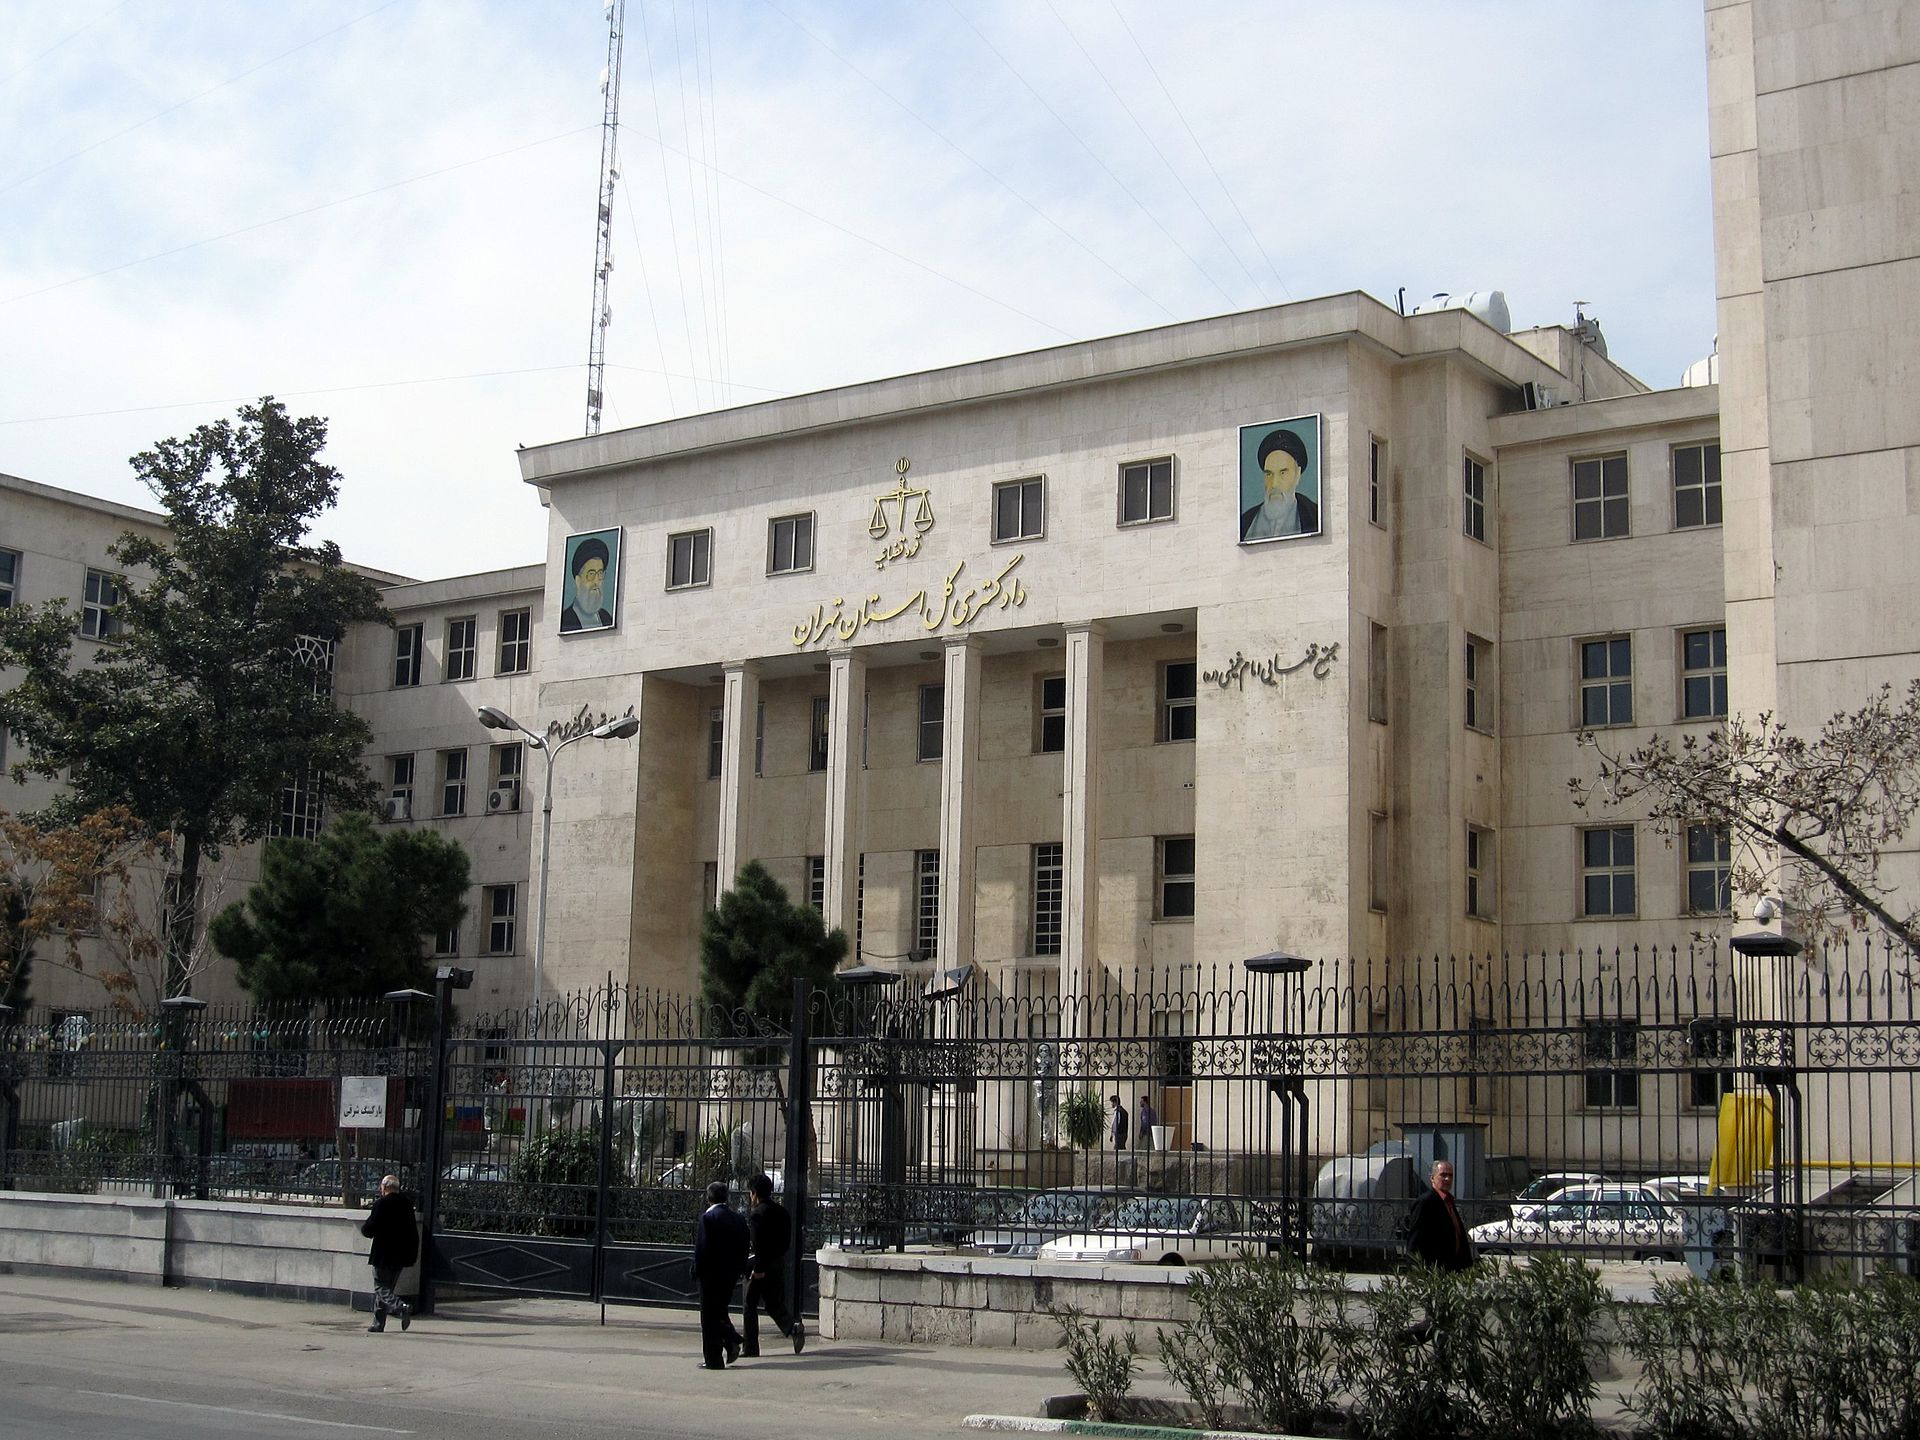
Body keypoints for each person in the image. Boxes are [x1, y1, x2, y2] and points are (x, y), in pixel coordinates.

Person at [742, 1173, 805, 1357]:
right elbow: (786, 1240)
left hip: (761, 1266)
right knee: (773, 1303)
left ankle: (751, 1347)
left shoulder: (757, 1215)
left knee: (749, 1304)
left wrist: (758, 1269)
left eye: (750, 1193)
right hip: (778, 1262)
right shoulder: (782, 1212)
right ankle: (792, 1327)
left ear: (754, 1193)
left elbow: (758, 1244)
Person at [691, 1180, 749, 1369]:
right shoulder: (738, 1219)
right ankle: (732, 1340)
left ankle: (713, 1359)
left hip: (710, 1276)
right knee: (719, 1311)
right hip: (730, 1276)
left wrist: (696, 1270)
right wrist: (740, 1269)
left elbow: (702, 1249)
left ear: (708, 1198)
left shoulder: (708, 1219)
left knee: (709, 1317)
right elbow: (744, 1247)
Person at [359, 1173, 418, 1333]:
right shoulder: (407, 1205)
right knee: (387, 1289)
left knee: (380, 1287)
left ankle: (401, 1306)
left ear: (384, 1187)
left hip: (383, 1254)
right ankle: (378, 1324)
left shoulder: (381, 1204)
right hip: (401, 1255)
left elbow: (369, 1228)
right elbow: (413, 1232)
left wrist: (365, 1230)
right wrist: (412, 1255)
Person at [1240, 427, 1319, 541]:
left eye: (1283, 473)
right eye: (1269, 474)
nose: (1274, 484)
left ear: (1298, 475)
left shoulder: (1314, 516)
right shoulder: (1246, 521)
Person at [1406, 1159, 1475, 1271]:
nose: (1447, 1179)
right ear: (1432, 1178)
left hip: (1453, 1270)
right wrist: (1417, 1272)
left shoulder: (1449, 1201)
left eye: (1450, 1175)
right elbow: (1415, 1240)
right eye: (1443, 1175)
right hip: (1434, 1271)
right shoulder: (1426, 1202)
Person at [559, 536, 613, 632]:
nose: (596, 581)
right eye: (591, 574)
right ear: (578, 580)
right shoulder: (566, 621)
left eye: (600, 573)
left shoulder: (606, 618)